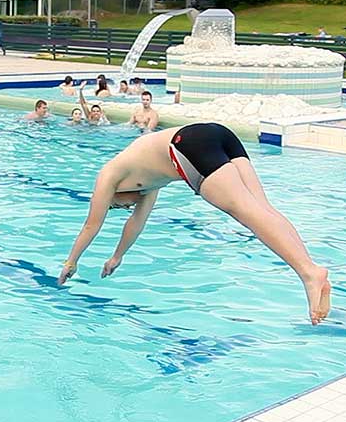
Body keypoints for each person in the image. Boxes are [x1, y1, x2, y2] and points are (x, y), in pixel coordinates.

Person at [58, 122, 331, 325]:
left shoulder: (108, 175)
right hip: (216, 133)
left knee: (247, 213)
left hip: (187, 144)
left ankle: (309, 273)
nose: (126, 206)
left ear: (111, 197)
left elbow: (91, 225)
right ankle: (312, 269)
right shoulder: (148, 181)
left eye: (117, 205)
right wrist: (117, 256)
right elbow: (136, 222)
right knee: (262, 209)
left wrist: (71, 262)